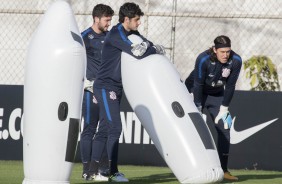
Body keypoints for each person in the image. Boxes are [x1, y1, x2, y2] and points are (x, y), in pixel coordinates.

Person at [90, 2, 165, 182]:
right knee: (115, 127)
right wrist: (154, 49)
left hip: (115, 87)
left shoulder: (131, 32)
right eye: (137, 20)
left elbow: (147, 44)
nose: (139, 23)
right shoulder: (116, 34)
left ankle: (97, 171)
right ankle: (108, 171)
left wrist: (152, 47)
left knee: (106, 129)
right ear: (127, 20)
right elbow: (138, 52)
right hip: (105, 86)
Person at [185, 35, 242, 181]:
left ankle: (224, 170)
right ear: (214, 49)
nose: (225, 55)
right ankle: (189, 168)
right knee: (191, 130)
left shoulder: (236, 60)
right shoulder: (203, 59)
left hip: (217, 95)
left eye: (228, 51)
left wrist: (224, 108)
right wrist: (197, 106)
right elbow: (197, 84)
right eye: (222, 52)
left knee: (225, 127)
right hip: (194, 91)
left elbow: (230, 85)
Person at [80, 4, 114, 181]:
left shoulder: (109, 37)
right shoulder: (84, 37)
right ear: (96, 18)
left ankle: (102, 169)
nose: (109, 23)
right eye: (107, 20)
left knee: (106, 129)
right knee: (89, 128)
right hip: (90, 90)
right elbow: (75, 61)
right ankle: (87, 170)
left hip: (107, 90)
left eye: (110, 20)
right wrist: (84, 82)